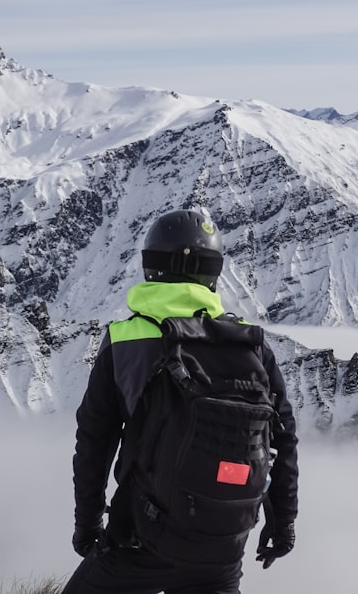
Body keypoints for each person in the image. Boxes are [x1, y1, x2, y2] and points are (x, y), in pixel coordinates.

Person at [62, 209, 299, 594]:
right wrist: (283, 521)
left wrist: (87, 524)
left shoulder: (125, 342)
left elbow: (94, 442)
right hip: (224, 546)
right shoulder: (250, 345)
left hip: (143, 542)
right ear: (213, 271)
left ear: (151, 264)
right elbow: (282, 439)